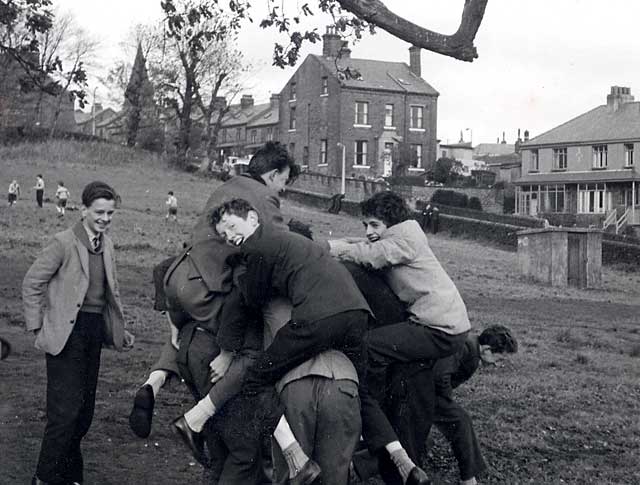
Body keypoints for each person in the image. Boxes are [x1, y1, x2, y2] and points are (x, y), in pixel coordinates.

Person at [212, 199, 431, 485]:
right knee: (362, 393)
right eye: (223, 235)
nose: (230, 237)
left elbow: (251, 297)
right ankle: (401, 457)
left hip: (317, 319)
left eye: (231, 226)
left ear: (253, 219)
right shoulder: (310, 251)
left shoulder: (257, 245)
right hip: (356, 316)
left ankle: (295, 457)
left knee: (254, 380)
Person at [129, 141, 298, 438]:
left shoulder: (226, 187)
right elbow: (282, 246)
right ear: (272, 175)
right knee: (252, 348)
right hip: (209, 286)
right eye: (283, 181)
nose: (282, 189)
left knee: (185, 335)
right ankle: (282, 442)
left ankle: (152, 385)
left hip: (180, 277)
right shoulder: (263, 196)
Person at [328, 191, 471, 485]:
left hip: (439, 329)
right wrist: (341, 245)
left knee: (370, 346)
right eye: (365, 225)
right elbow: (365, 245)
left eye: (374, 225)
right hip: (441, 323)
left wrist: (332, 249)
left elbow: (372, 255)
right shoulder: (400, 235)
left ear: (390, 223)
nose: (368, 232)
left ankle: (374, 401)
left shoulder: (404, 240)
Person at [23, 181, 131, 485]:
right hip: (65, 335)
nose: (105, 219)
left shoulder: (107, 244)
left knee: (83, 413)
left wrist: (120, 330)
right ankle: (43, 478)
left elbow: (111, 294)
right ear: (83, 210)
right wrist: (37, 325)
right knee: (64, 413)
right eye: (99, 212)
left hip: (93, 332)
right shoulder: (63, 242)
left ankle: (70, 475)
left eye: (110, 213)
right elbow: (32, 283)